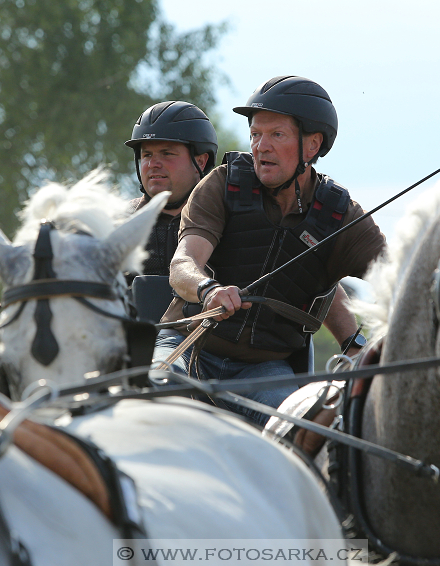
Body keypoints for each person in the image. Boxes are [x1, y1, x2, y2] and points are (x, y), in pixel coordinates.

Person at [156, 76, 386, 426]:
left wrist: (355, 345)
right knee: (150, 399)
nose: (261, 146)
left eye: (276, 134)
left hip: (264, 370)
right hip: (188, 347)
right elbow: (184, 263)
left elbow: (392, 277)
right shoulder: (221, 184)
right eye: (255, 135)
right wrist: (209, 291)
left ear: (312, 146)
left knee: (301, 428)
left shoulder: (340, 217)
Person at [125, 101, 218, 277]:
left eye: (167, 153)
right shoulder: (117, 223)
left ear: (200, 161)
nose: (153, 164)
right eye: (147, 155)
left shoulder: (228, 221)